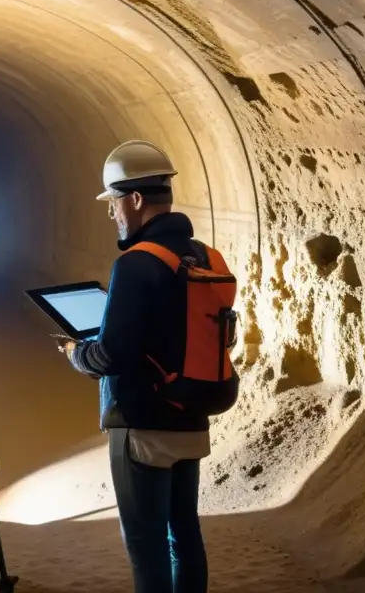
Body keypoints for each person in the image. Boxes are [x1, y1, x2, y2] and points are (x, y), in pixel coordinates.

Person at [57, 140, 236, 593]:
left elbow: (112, 354)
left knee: (146, 546)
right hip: (193, 415)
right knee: (185, 537)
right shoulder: (207, 257)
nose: (113, 214)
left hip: (142, 428)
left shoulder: (137, 264)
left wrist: (76, 354)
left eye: (114, 203)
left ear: (135, 200)